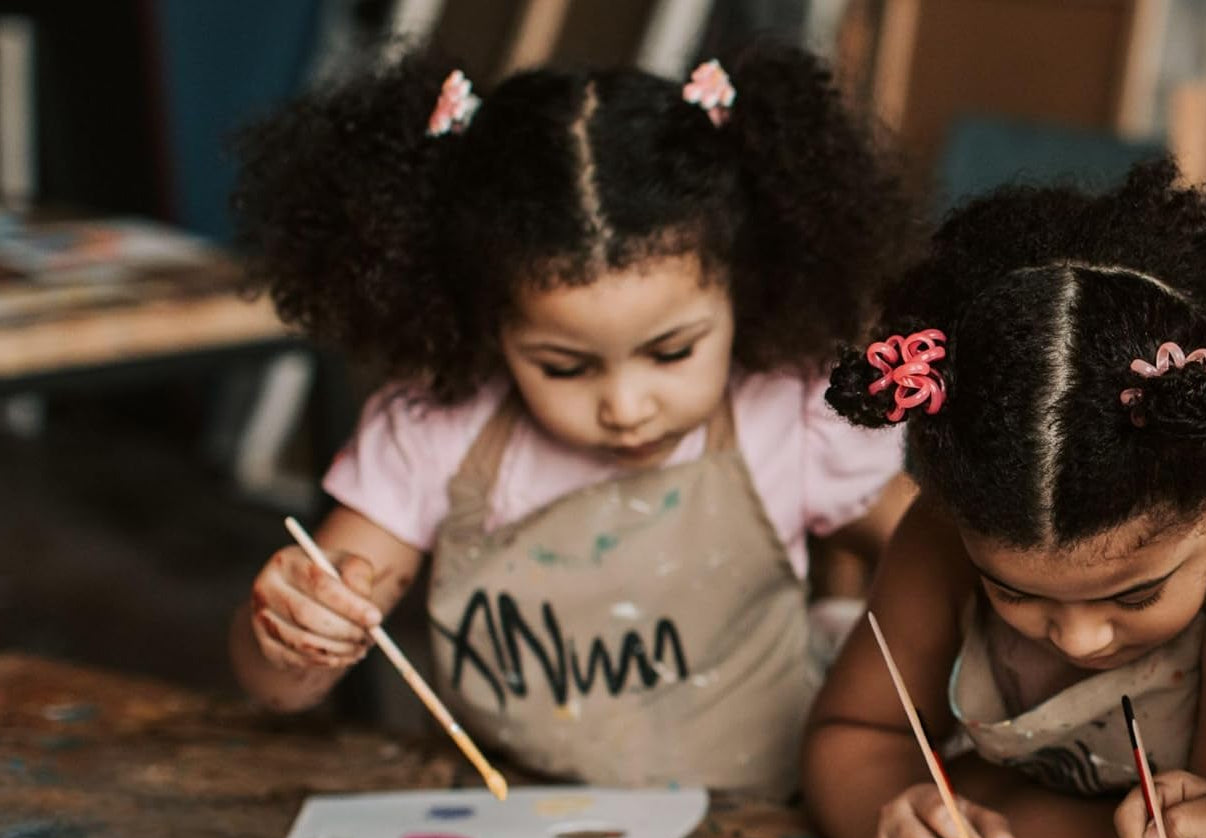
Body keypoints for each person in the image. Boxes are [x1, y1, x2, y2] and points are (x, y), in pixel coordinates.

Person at [230, 43, 911, 799]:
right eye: (564, 367)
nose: (625, 407)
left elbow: (931, 551)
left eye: (672, 352)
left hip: (759, 828)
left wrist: (871, 657)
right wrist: (294, 638)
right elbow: (275, 694)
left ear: (746, 293)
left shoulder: (786, 411)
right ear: (487, 326)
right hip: (511, 835)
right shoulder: (434, 433)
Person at [806, 159, 1206, 838]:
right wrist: (890, 824)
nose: (1081, 638)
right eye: (1013, 590)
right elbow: (851, 734)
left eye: (1138, 592)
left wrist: (993, 798)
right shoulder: (940, 543)